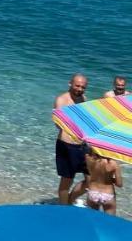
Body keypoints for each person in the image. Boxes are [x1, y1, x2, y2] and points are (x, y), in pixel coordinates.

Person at [55, 73, 89, 205]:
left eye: (83, 87)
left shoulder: (83, 98)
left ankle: (69, 201)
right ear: (70, 84)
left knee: (91, 181)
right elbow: (59, 125)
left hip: (83, 145)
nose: (80, 89)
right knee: (66, 180)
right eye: (77, 86)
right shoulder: (62, 100)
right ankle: (64, 209)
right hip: (66, 145)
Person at [73, 145, 122, 214]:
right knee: (109, 221)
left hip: (93, 192)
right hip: (108, 194)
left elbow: (89, 171)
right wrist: (111, 179)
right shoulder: (114, 164)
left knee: (92, 219)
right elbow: (119, 184)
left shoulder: (89, 159)